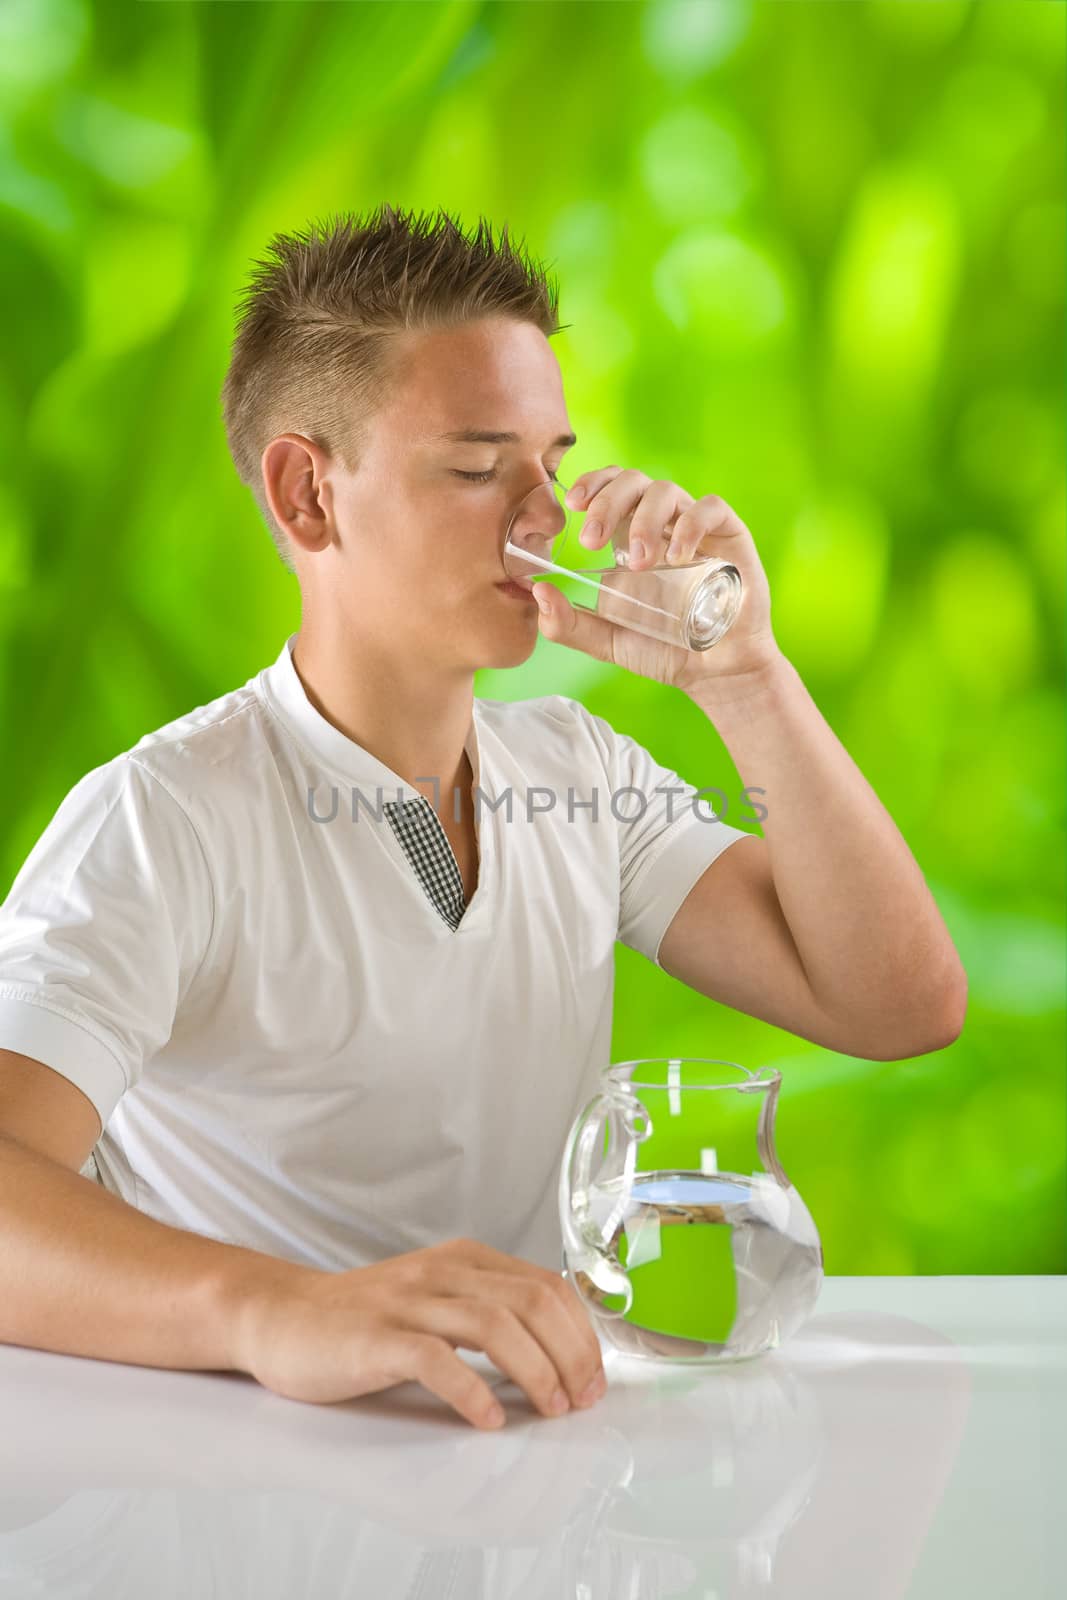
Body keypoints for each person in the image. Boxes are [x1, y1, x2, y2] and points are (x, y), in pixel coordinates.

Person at [0, 204, 967, 1433]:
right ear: (307, 494)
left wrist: (744, 679)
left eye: (549, 466)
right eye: (473, 468)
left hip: (526, 1488)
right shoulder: (165, 820)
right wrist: (280, 1309)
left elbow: (895, 1002)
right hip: (238, 1506)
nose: (541, 520)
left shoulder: (574, 774)